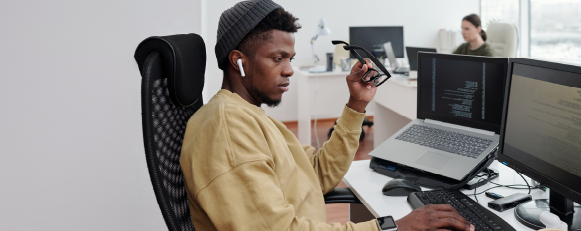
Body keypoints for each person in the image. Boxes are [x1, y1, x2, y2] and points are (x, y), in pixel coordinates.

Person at [179, 1, 475, 230]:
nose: (289, 69)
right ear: (239, 62)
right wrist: (392, 226)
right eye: (277, 58)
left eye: (290, 59)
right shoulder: (226, 130)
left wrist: (356, 105)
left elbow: (317, 172)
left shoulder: (248, 116)